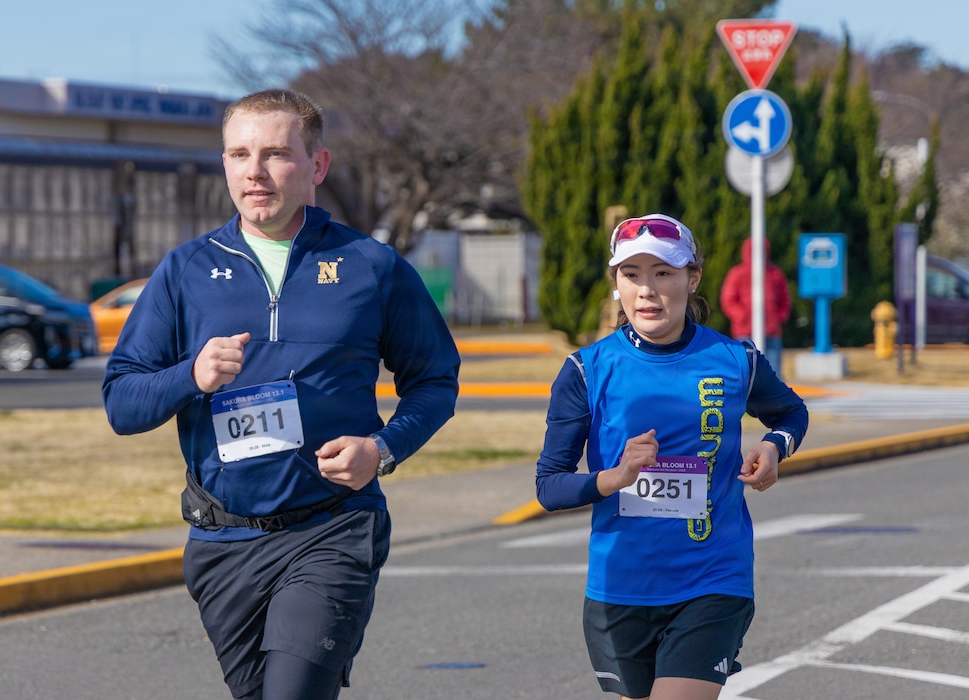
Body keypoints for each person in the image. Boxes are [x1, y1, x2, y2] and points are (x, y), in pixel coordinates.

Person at [102, 88, 460, 700]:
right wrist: (189, 375)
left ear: (316, 166)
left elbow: (434, 380)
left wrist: (384, 449)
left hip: (332, 529)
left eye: (275, 154)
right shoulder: (186, 269)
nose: (255, 171)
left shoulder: (369, 265)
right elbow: (122, 402)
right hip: (223, 542)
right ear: (224, 165)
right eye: (239, 154)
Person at [535, 214, 807, 700]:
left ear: (692, 278)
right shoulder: (586, 369)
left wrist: (773, 447)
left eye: (663, 273)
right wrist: (614, 477)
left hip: (713, 579)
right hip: (620, 588)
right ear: (616, 282)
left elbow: (791, 413)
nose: (646, 290)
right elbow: (549, 485)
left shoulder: (735, 360)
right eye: (631, 274)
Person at [719, 237, 792, 377]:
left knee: (774, 372)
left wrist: (778, 317)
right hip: (745, 331)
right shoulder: (737, 274)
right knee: (745, 371)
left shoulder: (775, 275)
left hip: (771, 331)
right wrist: (743, 316)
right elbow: (728, 300)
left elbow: (785, 300)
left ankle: (774, 399)